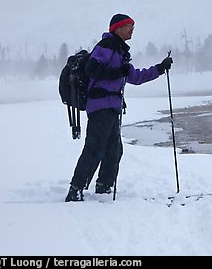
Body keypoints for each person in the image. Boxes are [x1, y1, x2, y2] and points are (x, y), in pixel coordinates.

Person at [65, 13, 173, 202]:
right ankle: (76, 190)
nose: (132, 29)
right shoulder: (105, 47)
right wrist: (117, 72)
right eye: (129, 26)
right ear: (117, 28)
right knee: (95, 148)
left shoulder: (121, 52)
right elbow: (92, 69)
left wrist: (160, 68)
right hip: (100, 106)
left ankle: (104, 186)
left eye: (133, 26)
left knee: (114, 149)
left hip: (112, 107)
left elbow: (136, 77)